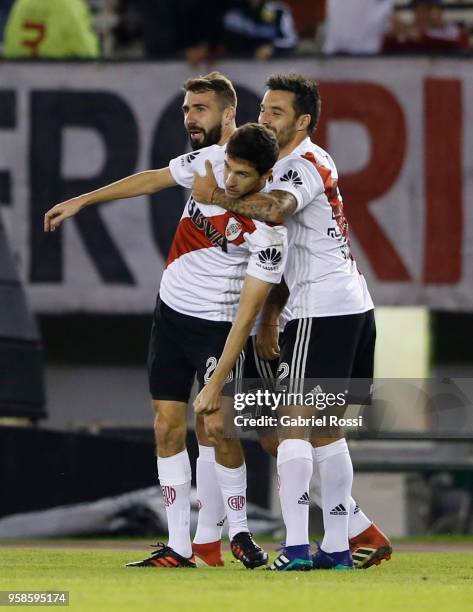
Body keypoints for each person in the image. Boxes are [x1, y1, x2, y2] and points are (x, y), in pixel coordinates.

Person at [44, 73, 285, 570]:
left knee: (217, 429)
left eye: (200, 108)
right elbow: (151, 178)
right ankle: (179, 546)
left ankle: (238, 533)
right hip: (171, 314)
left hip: (217, 324)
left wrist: (219, 377)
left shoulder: (270, 225)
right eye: (186, 109)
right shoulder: (208, 162)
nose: (189, 117)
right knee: (166, 427)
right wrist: (84, 200)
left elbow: (248, 312)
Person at [192, 73, 392, 571]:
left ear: (303, 121)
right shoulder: (293, 162)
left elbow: (276, 209)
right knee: (325, 431)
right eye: (263, 109)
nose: (264, 117)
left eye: (276, 112)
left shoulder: (301, 164)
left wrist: (217, 196)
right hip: (348, 305)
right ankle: (341, 548)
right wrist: (270, 318)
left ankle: (299, 548)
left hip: (322, 309)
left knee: (291, 426)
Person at [3, 0, 99, 58]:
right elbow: (87, 52)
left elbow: (10, 44)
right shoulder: (71, 5)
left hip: (20, 82)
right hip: (58, 83)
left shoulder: (22, 3)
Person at [384, 0, 470, 52]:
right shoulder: (407, 37)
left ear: (440, 11)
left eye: (428, 9)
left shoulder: (454, 31)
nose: (422, 15)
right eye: (417, 10)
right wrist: (391, 37)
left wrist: (412, 33)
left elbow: (452, 44)